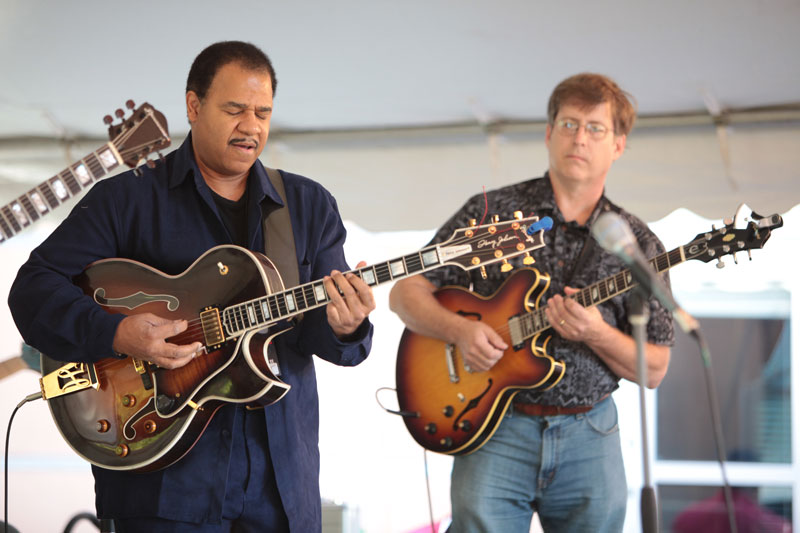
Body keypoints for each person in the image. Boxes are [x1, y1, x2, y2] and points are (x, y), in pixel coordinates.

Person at [8, 41, 375, 532]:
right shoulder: (128, 199)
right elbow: (33, 287)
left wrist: (347, 326)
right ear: (193, 106)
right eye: (235, 109)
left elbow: (324, 337)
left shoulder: (307, 205)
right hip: (161, 479)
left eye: (263, 112)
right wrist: (115, 335)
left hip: (282, 482)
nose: (252, 126)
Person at [389, 73, 675, 532]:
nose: (579, 138)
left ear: (618, 145)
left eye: (596, 128)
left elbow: (655, 368)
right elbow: (406, 292)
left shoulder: (635, 242)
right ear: (548, 133)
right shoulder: (493, 212)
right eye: (568, 124)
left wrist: (595, 333)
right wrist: (460, 332)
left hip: (591, 433)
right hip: (495, 429)